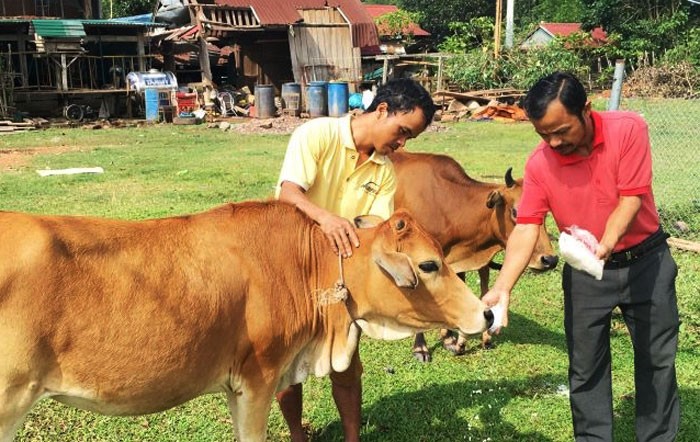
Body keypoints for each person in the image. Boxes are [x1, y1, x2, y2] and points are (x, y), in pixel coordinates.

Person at [482, 71, 680, 441]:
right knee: (585, 367)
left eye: (562, 131)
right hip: (585, 273)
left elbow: (631, 198)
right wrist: (503, 287)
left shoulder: (628, 130)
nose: (554, 142)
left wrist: (603, 245)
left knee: (656, 362)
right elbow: (527, 227)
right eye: (544, 134)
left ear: (586, 109)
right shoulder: (540, 164)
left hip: (646, 263)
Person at [275, 78, 435, 442]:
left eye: (410, 138)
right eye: (402, 131)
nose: (402, 143)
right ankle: (297, 435)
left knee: (346, 362)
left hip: (343, 271)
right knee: (288, 366)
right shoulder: (317, 134)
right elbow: (288, 193)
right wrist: (327, 219)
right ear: (382, 111)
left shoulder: (385, 172)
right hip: (293, 267)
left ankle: (352, 438)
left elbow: (376, 230)